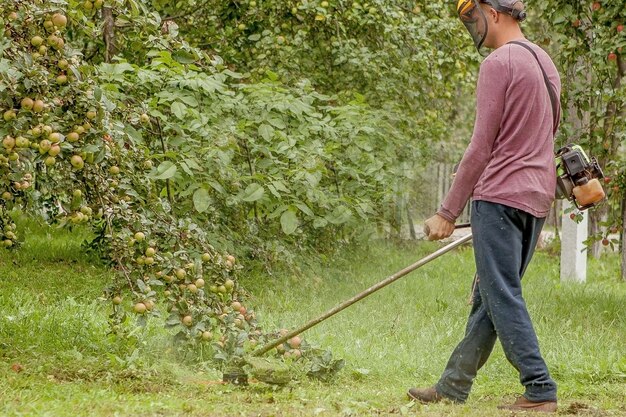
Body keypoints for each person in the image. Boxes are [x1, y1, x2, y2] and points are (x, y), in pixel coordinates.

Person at [407, 0, 561, 413]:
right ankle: (453, 385)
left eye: (472, 17)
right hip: (536, 198)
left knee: (501, 294)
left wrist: (447, 211)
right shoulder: (544, 61)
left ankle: (539, 386)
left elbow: (480, 147)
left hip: (499, 197)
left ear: (494, 13)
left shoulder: (498, 63)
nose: (472, 27)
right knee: (491, 297)